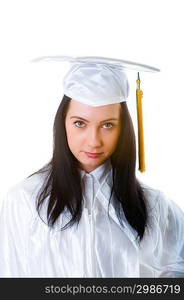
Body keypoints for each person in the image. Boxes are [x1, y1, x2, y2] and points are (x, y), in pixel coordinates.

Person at [0, 56, 184, 278]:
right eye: (80, 123)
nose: (94, 141)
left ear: (123, 129)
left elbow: (175, 272)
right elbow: (11, 276)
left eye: (108, 125)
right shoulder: (24, 200)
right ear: (63, 123)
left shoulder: (155, 206)